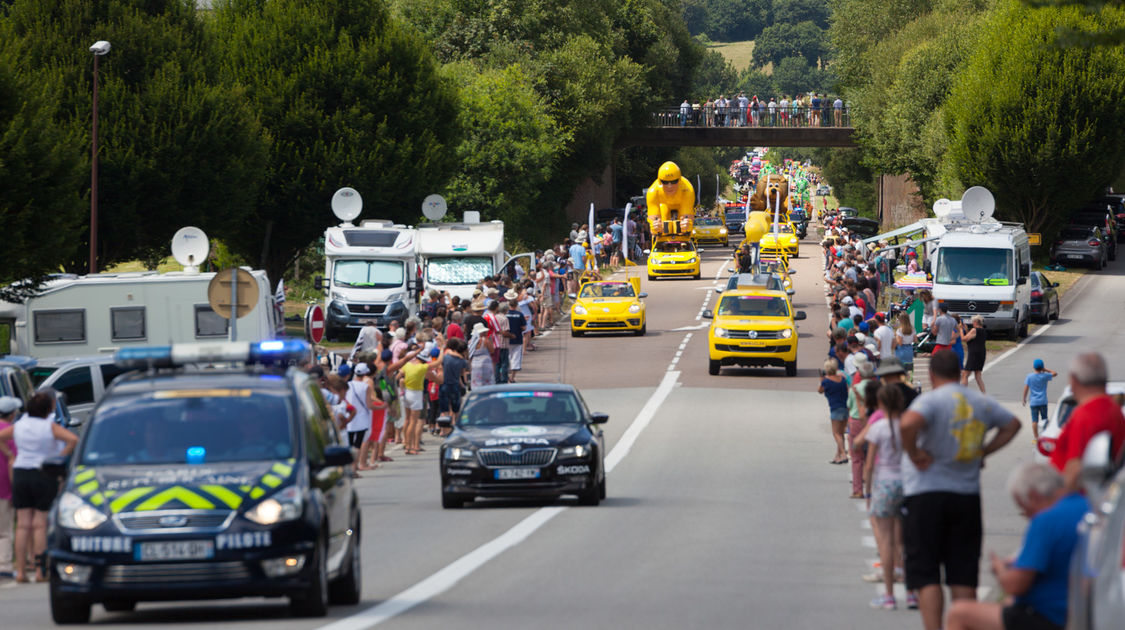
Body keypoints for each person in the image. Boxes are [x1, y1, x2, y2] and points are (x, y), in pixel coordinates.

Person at [899, 350, 1022, 630]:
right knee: (962, 574)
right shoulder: (979, 401)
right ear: (959, 373)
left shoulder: (929, 400)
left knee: (927, 573)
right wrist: (983, 452)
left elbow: (907, 424)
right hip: (965, 496)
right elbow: (1012, 425)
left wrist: (914, 452)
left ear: (931, 375)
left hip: (926, 495)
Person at [945, 463, 1087, 630]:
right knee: (1006, 605)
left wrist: (1001, 570)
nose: (1027, 516)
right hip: (1078, 607)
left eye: (1023, 508)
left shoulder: (1046, 521)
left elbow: (1016, 585)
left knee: (959, 613)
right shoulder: (1087, 505)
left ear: (1033, 496)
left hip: (1050, 615)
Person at [0, 391, 78, 583]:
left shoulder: (19, 426)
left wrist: (10, 454)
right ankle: (40, 570)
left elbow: (1, 436)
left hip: (21, 473)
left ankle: (20, 571)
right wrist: (58, 457)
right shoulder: (48, 427)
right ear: (48, 409)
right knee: (40, 524)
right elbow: (73, 440)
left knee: (23, 524)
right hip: (43, 473)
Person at [864, 385, 912, 611]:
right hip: (905, 484)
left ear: (881, 404)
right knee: (904, 539)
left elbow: (870, 463)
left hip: (884, 484)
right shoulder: (907, 426)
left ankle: (890, 596)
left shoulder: (878, 428)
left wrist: (868, 491)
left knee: (886, 540)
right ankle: (912, 592)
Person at [1048, 352, 1125, 490]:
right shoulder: (1114, 409)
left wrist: (1053, 502)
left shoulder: (1086, 414)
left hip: (1076, 498)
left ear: (1074, 380)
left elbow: (1075, 466)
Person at [0, 396, 20, 580]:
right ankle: (4, 566)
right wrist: (15, 488)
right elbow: (12, 462)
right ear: (12, 413)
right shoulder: (10, 432)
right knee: (4, 529)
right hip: (3, 484)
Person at [818, 359, 849, 464]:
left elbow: (820, 390)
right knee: (841, 434)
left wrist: (821, 380)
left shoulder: (826, 381)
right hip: (845, 407)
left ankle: (843, 454)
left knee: (836, 433)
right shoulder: (842, 379)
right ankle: (838, 456)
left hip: (836, 408)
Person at [1022, 359, 1058, 440]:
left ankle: (1036, 437)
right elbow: (1055, 373)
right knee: (1044, 419)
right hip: (1043, 401)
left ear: (1033, 367)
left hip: (1034, 402)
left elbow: (1026, 388)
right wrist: (1045, 369)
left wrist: (1024, 398)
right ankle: (1045, 435)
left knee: (1034, 420)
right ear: (1042, 367)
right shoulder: (1045, 376)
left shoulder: (1029, 376)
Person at [960, 315, 987, 393]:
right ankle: (984, 394)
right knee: (978, 376)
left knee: (965, 374)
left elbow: (964, 339)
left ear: (975, 322)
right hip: (981, 353)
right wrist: (966, 329)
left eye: (973, 322)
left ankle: (963, 394)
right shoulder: (983, 330)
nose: (972, 323)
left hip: (974, 354)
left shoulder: (974, 330)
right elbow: (972, 338)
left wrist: (961, 330)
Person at [467, 322, 495, 389]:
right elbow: (492, 351)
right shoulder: (485, 340)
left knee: (476, 383)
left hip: (475, 364)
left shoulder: (470, 342)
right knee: (487, 383)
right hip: (485, 363)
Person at [506, 295, 527, 383]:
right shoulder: (520, 314)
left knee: (506, 358)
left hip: (506, 339)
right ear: (516, 305)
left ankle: (505, 376)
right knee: (516, 358)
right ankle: (512, 377)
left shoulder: (505, 314)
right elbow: (524, 327)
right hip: (517, 339)